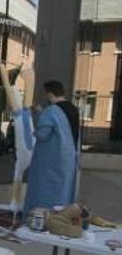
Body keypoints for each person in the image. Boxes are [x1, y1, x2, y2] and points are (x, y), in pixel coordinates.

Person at [23, 81, 78, 213]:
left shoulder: (52, 110)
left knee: (46, 190)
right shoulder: (73, 109)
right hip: (69, 158)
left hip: (51, 160)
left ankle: (44, 219)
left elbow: (43, 134)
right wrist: (43, 114)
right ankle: (62, 218)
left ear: (50, 94)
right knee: (64, 191)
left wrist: (34, 130)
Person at [43, 80, 80, 148]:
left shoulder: (53, 109)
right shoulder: (73, 108)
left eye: (46, 94)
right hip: (71, 148)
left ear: (50, 94)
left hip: (57, 149)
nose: (46, 97)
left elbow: (44, 133)